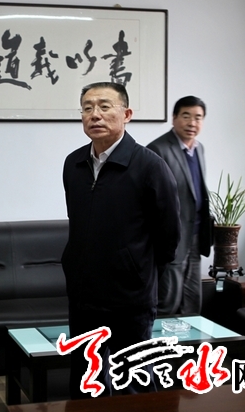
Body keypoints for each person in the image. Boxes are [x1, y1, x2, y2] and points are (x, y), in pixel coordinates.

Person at [61, 82, 180, 398]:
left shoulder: (150, 166)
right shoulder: (73, 164)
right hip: (83, 293)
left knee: (134, 382)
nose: (94, 114)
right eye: (87, 108)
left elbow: (169, 235)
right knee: (87, 379)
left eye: (104, 106)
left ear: (126, 114)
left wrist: (138, 270)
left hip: (130, 297)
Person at [147, 96, 212, 316]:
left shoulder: (199, 149)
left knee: (192, 300)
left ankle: (189, 339)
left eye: (198, 117)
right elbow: (149, 199)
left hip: (196, 234)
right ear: (174, 118)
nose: (192, 123)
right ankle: (156, 338)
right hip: (172, 238)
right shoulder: (158, 149)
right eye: (186, 116)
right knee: (167, 300)